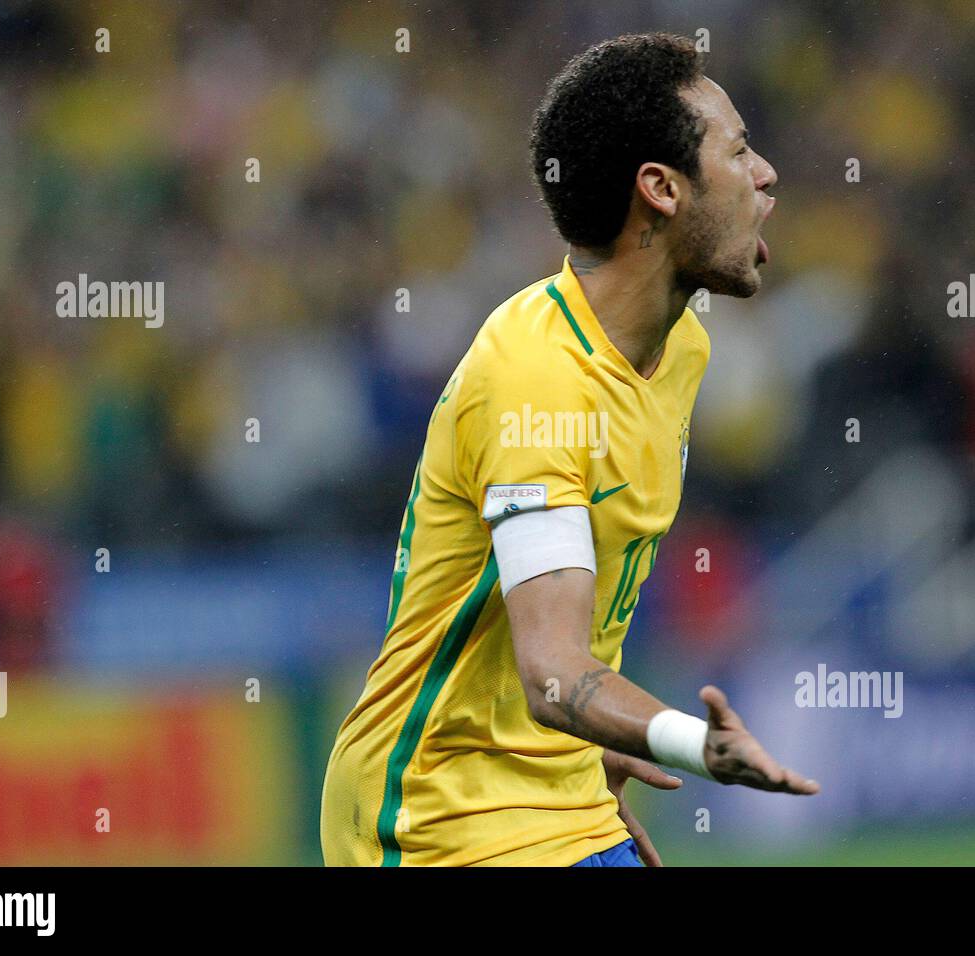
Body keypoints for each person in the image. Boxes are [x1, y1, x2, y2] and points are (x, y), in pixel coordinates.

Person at [321, 32, 817, 868]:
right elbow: (553, 672)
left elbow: (568, 657)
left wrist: (597, 755)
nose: (765, 175)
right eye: (738, 150)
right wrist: (692, 746)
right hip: (441, 820)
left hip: (563, 802)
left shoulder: (683, 349)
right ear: (660, 190)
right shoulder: (536, 382)